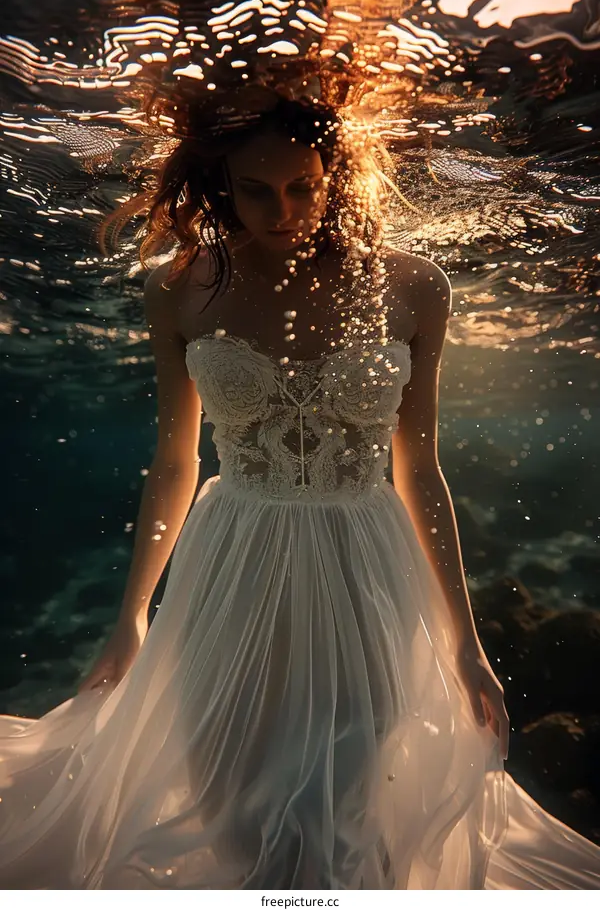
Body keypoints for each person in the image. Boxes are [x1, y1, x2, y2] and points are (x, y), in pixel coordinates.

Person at [0, 92, 598, 890]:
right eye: (256, 188)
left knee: (343, 800)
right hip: (233, 563)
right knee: (232, 805)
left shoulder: (415, 285)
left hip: (366, 566)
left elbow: (419, 469)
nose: (281, 209)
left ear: (334, 179)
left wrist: (467, 643)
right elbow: (176, 462)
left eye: (301, 187)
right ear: (221, 185)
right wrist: (131, 619)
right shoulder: (177, 286)